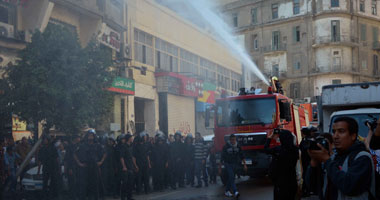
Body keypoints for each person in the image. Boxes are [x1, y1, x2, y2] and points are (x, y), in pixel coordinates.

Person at [307, 117, 376, 199]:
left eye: (341, 131)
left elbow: (349, 186)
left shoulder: (362, 158)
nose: (335, 136)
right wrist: (314, 162)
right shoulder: (334, 158)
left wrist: (327, 161)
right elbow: (313, 187)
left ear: (353, 136)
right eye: (334, 132)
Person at [265, 129, 299, 200]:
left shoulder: (278, 150)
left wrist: (269, 137)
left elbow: (266, 149)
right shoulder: (295, 150)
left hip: (280, 182)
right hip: (292, 181)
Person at [74, 130, 106, 200]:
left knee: (95, 185)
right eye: (89, 135)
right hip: (85, 167)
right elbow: (75, 154)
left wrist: (101, 162)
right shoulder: (82, 145)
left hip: (94, 166)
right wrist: (79, 163)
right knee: (84, 184)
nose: (90, 137)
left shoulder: (97, 145)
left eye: (92, 135)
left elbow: (104, 153)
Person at [120, 134, 138, 200]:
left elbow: (132, 157)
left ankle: (129, 197)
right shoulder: (123, 146)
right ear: (128, 138)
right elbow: (121, 157)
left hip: (131, 167)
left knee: (130, 183)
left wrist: (135, 166)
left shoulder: (131, 146)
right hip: (126, 168)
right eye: (131, 138)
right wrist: (124, 166)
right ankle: (123, 197)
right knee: (124, 184)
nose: (132, 139)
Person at [64, 135, 81, 200]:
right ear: (75, 139)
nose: (79, 139)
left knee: (76, 182)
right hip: (71, 167)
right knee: (72, 183)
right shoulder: (70, 147)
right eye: (78, 138)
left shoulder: (78, 146)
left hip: (77, 167)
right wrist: (69, 168)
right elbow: (68, 159)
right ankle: (72, 196)